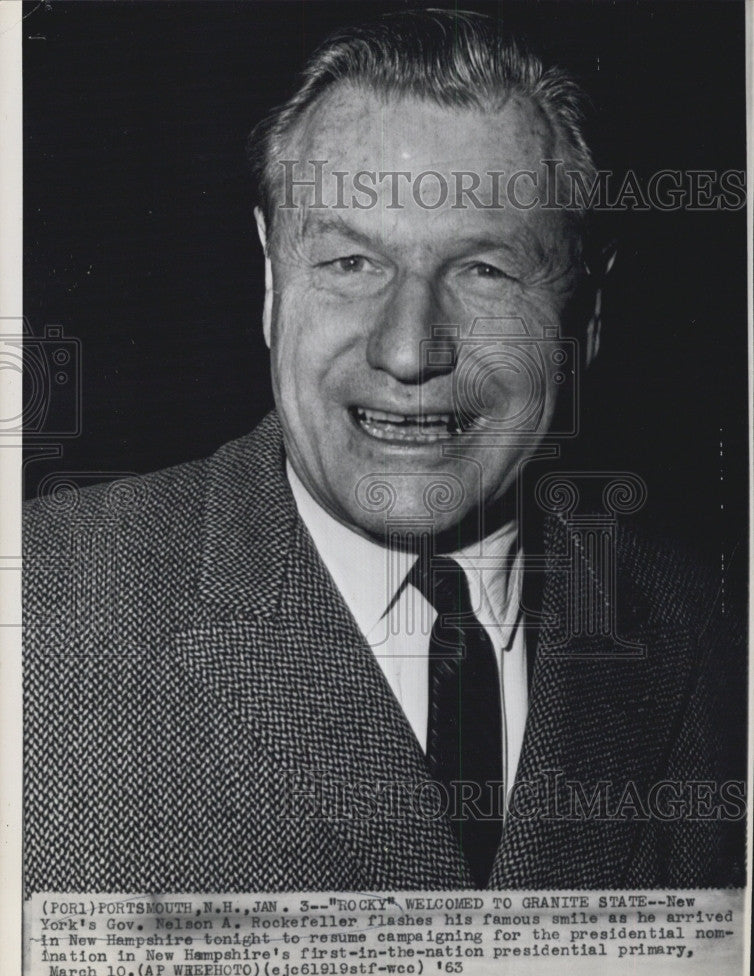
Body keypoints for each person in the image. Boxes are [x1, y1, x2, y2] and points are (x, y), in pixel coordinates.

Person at [23, 8, 745, 894]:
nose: (408, 350)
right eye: (350, 264)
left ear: (586, 312)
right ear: (269, 273)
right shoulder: (40, 609)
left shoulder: (709, 628)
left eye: (485, 271)